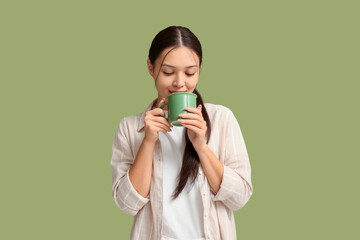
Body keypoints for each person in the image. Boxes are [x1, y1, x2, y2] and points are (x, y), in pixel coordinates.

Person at [110, 25, 253, 240]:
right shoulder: (131, 128)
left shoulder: (222, 119)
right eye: (168, 72)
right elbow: (127, 204)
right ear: (151, 68)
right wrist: (148, 141)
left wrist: (201, 146)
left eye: (189, 72)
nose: (179, 83)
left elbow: (240, 197)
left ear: (199, 69)